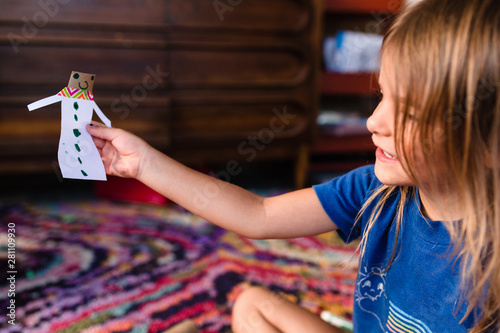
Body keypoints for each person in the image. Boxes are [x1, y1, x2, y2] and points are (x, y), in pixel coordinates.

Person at [86, 0, 500, 331]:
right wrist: (143, 164)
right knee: (253, 306)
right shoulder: (377, 188)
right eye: (382, 96)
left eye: (408, 112)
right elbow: (258, 214)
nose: (374, 122)